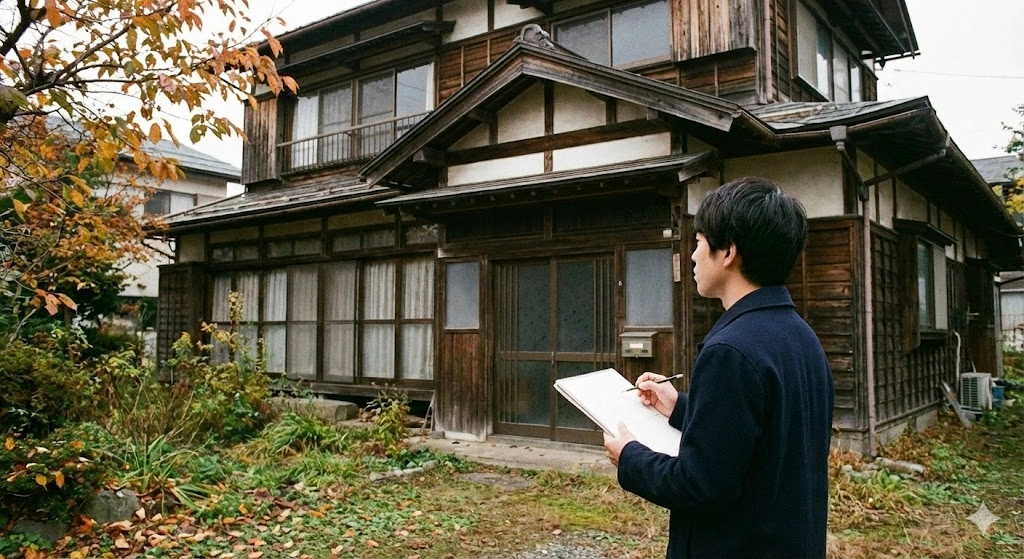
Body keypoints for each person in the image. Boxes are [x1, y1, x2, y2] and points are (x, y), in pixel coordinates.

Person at [603, 176, 835, 558]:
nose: (692, 256)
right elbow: (759, 433)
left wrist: (629, 456)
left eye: (698, 242)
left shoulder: (730, 350)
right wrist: (677, 405)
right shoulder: (800, 336)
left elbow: (700, 486)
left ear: (728, 251)